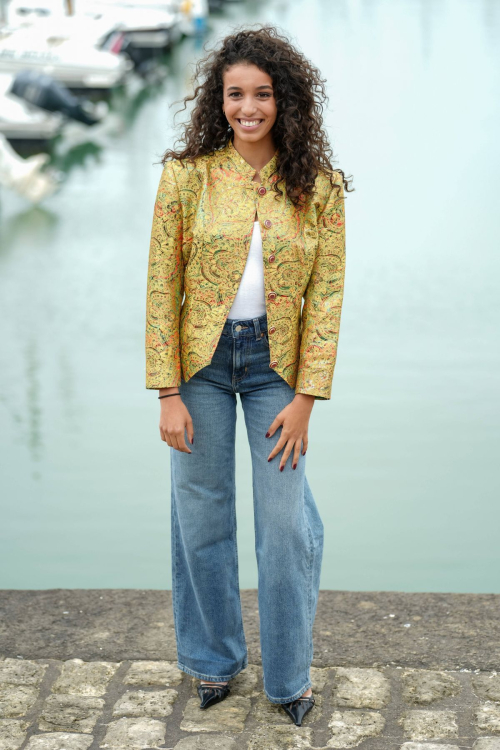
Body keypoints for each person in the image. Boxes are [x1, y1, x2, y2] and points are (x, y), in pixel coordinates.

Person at [145, 24, 352, 727]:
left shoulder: (320, 188)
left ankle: (290, 677)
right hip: (199, 367)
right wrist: (167, 390)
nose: (248, 108)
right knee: (200, 517)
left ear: (284, 100)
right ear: (219, 100)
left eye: (262, 94)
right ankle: (212, 662)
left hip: (277, 369)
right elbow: (159, 286)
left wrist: (305, 399)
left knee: (286, 525)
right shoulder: (186, 176)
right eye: (236, 94)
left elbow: (327, 297)